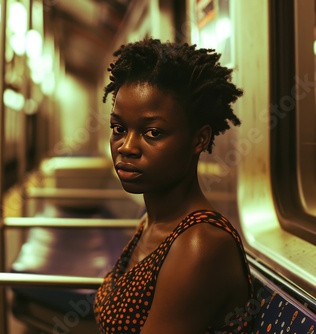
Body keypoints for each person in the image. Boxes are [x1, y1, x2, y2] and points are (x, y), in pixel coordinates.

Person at [93, 38, 254, 334]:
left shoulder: (200, 245)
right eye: (118, 129)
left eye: (153, 132)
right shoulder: (151, 222)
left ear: (199, 140)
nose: (126, 147)